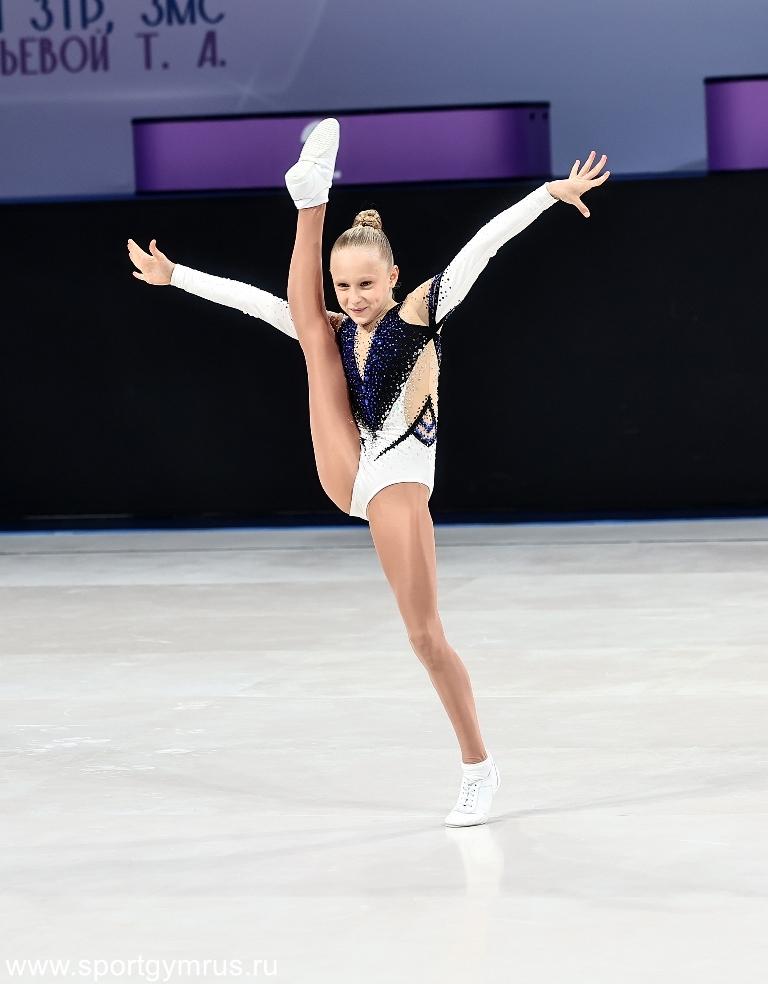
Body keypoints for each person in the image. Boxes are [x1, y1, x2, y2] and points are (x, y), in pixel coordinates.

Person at [127, 118, 609, 825]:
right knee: (308, 331)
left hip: (395, 481)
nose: (353, 297)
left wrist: (546, 194)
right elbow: (264, 305)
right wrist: (178, 278)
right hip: (348, 471)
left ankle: (478, 766)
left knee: (424, 637)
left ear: (392, 277)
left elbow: (481, 248)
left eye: (364, 284)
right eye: (343, 285)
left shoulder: (418, 313)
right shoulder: (336, 330)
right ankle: (311, 199)